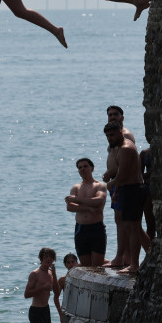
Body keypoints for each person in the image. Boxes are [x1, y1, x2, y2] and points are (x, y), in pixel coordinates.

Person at [103, 122, 146, 275]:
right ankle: (143, 260)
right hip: (127, 189)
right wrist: (116, 192)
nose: (110, 138)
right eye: (107, 136)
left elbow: (123, 174)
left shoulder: (126, 148)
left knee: (133, 228)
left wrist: (112, 184)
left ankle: (134, 264)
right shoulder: (120, 148)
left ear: (121, 133)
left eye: (112, 135)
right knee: (131, 227)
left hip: (134, 190)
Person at [102, 106, 137, 268]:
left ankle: (125, 258)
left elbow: (128, 162)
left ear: (122, 117)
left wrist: (114, 180)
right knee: (121, 221)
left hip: (124, 184)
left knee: (128, 222)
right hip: (117, 182)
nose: (112, 116)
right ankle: (123, 257)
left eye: (116, 114)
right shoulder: (113, 135)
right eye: (110, 114)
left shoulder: (126, 136)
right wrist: (110, 173)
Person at [65, 158, 107, 267]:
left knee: (97, 265)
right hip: (81, 229)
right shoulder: (76, 187)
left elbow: (99, 200)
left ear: (92, 168)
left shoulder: (99, 185)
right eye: (80, 167)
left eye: (85, 166)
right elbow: (69, 207)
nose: (82, 169)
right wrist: (88, 208)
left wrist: (76, 199)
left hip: (96, 228)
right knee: (86, 265)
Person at [24, 247, 60, 323]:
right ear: (41, 259)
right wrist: (42, 287)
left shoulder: (51, 273)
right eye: (46, 257)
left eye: (51, 257)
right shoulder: (35, 274)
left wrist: (54, 274)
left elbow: (57, 292)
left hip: (46, 309)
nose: (49, 259)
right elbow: (26, 294)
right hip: (36, 310)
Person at [55, 253, 79, 323]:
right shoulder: (62, 280)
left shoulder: (82, 278)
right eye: (68, 262)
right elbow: (56, 297)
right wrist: (60, 314)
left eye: (73, 261)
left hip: (79, 309)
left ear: (77, 263)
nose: (71, 264)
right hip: (67, 310)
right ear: (65, 265)